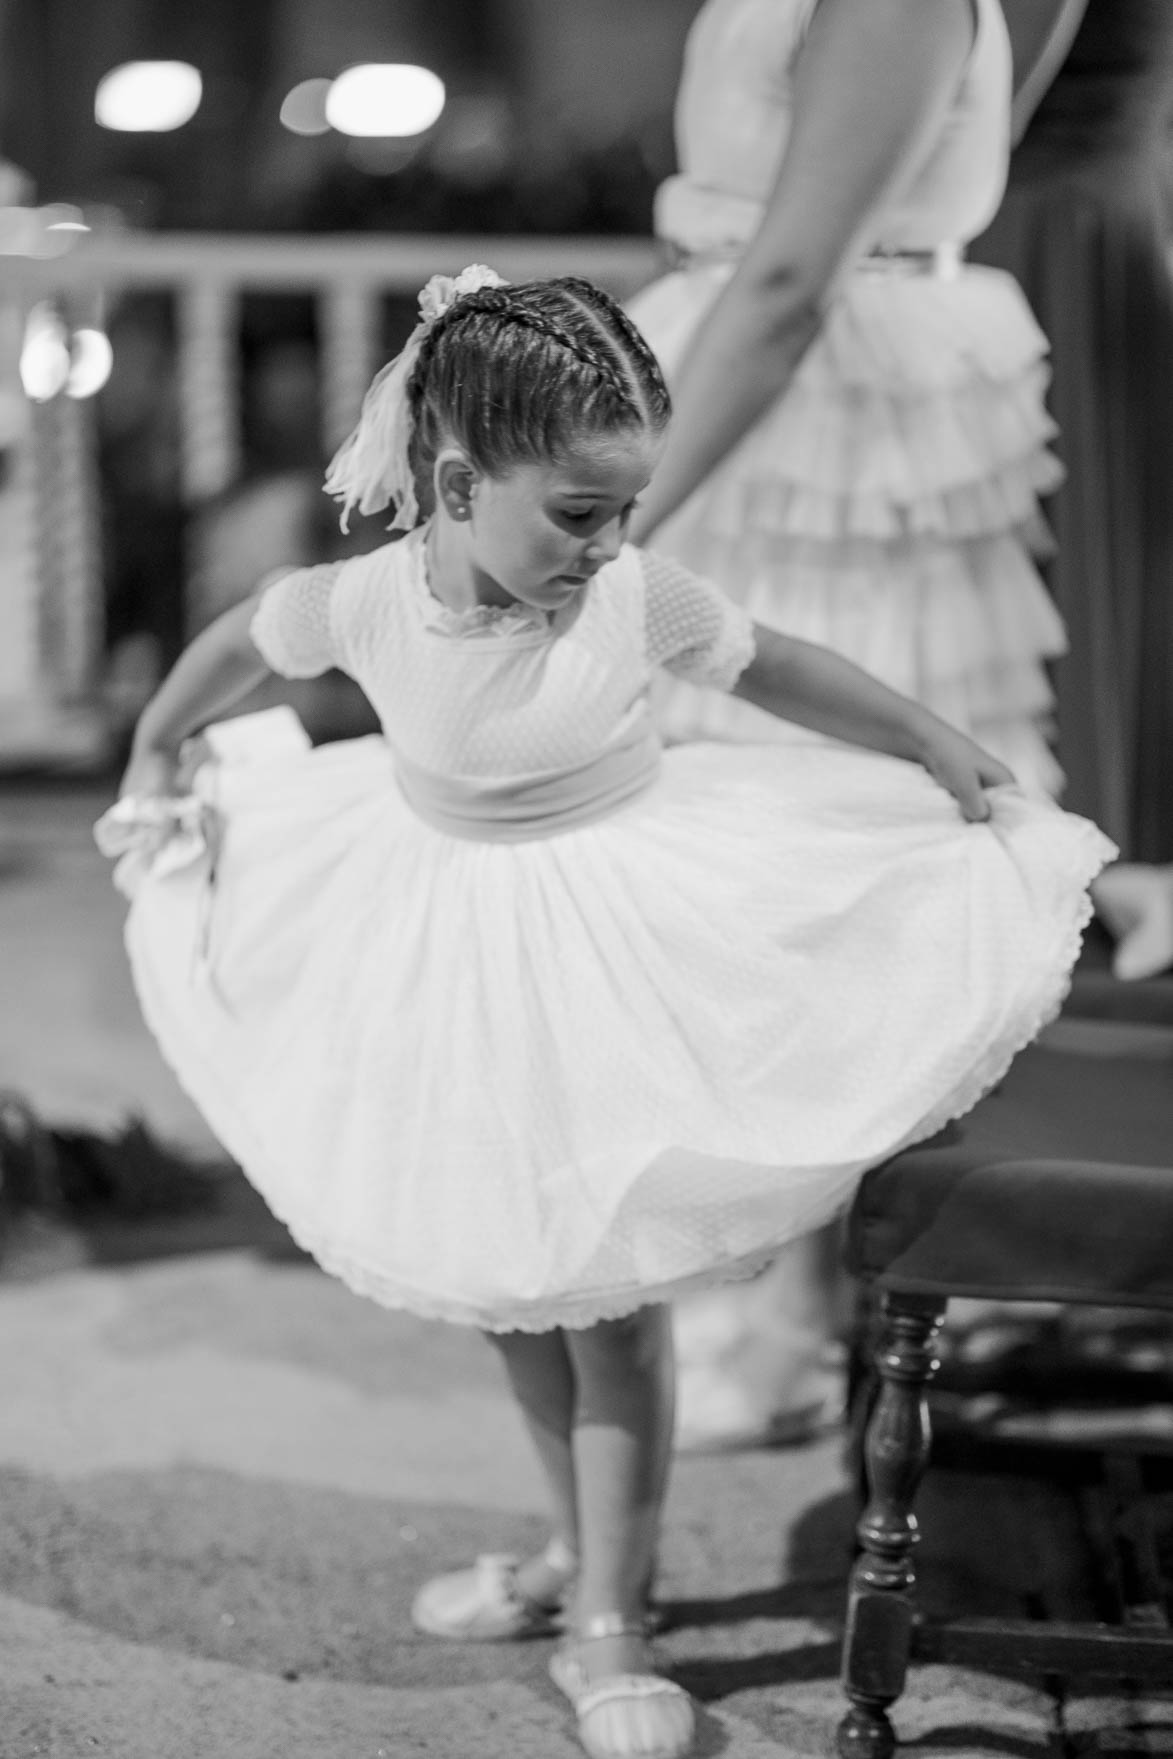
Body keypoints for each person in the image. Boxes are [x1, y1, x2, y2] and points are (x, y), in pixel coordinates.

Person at [96, 267, 1112, 1759]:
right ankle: (578, 1549)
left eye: (622, 509)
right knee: (514, 1285)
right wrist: (157, 736)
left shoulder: (635, 593)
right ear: (454, 480)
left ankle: (613, 1621)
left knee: (614, 1302)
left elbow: (781, 669)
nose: (607, 544)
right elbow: (247, 639)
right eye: (577, 513)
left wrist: (929, 740)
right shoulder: (373, 597)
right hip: (443, 943)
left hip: (618, 940)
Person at [621, 0, 1078, 1452]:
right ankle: (757, 1306)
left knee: (785, 866)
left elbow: (793, 276)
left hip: (802, 412)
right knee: (751, 868)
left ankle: (763, 1323)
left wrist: (601, 526)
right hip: (788, 373)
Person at [970, 0, 1173, 977]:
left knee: (1045, 543)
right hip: (1114, 214)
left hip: (1037, 233)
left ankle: (1081, 855)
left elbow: (965, 114)